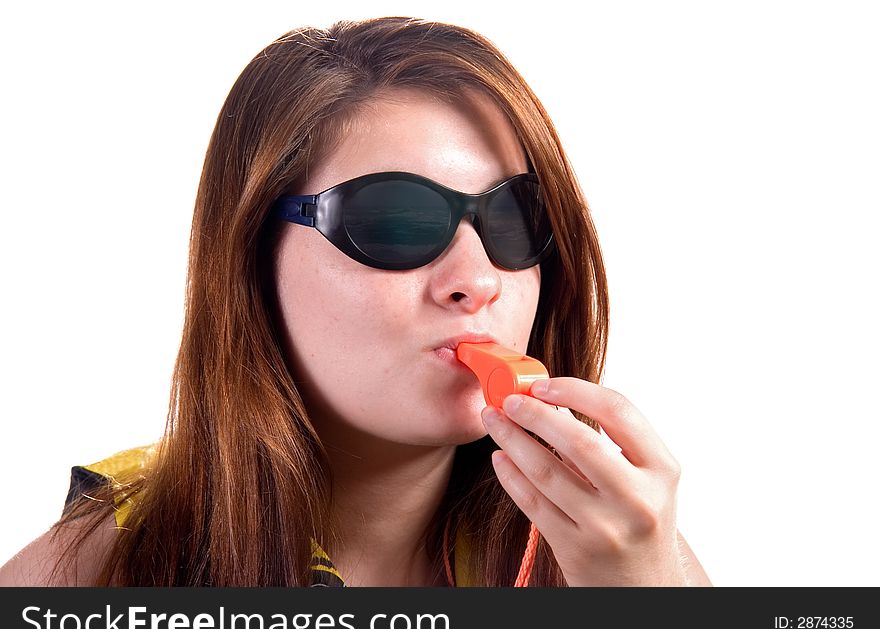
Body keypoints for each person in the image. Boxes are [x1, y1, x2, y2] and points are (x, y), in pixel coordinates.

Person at [0, 16, 710, 587]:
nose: (478, 278)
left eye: (512, 220)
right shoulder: (98, 573)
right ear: (250, 259)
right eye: (395, 222)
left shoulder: (621, 547)